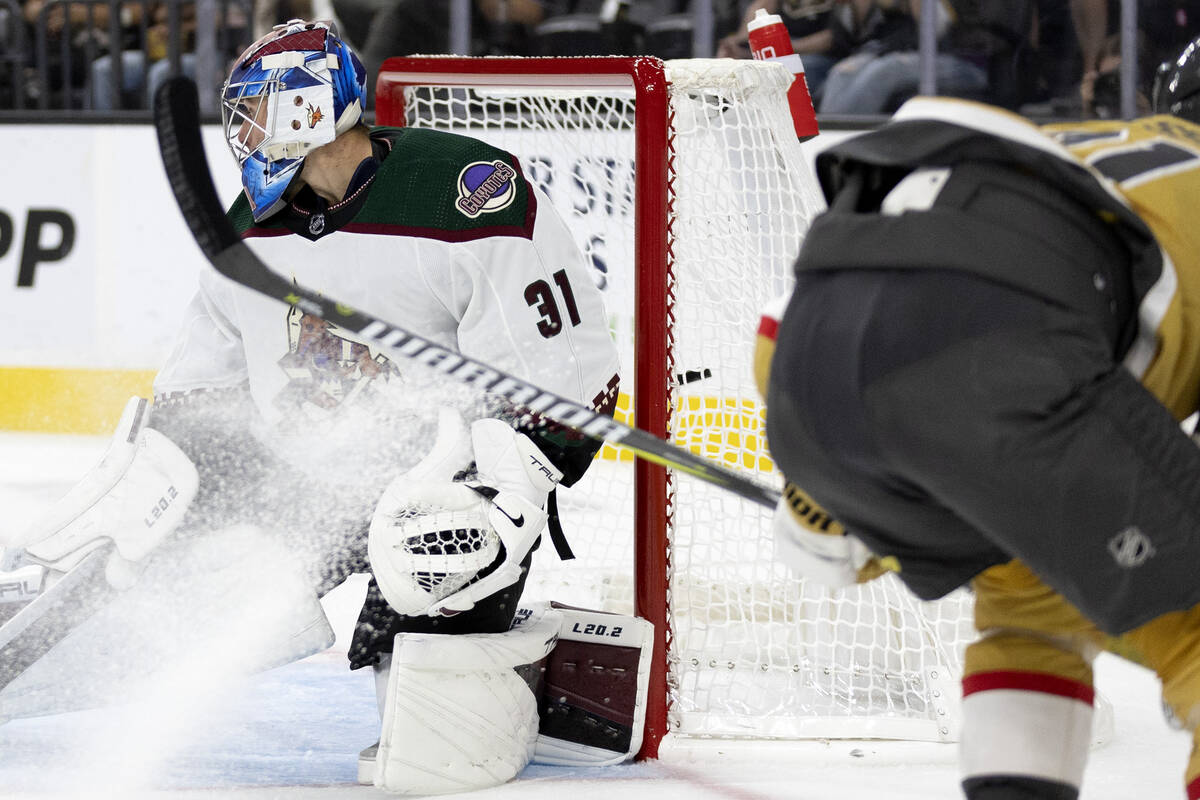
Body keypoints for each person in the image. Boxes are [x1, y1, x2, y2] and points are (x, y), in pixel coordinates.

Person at [153, 18, 620, 791]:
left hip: (446, 477)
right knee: (194, 587)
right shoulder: (250, 227)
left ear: (309, 109)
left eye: (256, 110)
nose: (241, 133)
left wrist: (506, 486)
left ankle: (509, 658)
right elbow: (201, 388)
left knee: (437, 742)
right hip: (312, 475)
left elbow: (561, 369)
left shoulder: (464, 192)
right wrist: (175, 492)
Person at [757, 35, 1200, 800]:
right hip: (1013, 366)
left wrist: (823, 489)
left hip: (807, 364)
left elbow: (779, 328)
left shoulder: (1098, 149)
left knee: (1031, 610)